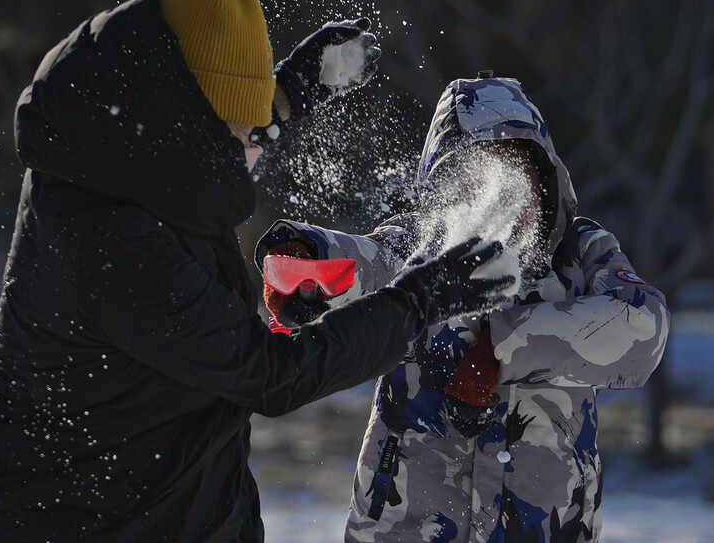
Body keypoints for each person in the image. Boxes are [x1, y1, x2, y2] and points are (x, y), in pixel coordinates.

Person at [0, 0, 515, 542]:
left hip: (178, 510)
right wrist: (414, 304)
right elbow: (269, 374)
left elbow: (204, 127)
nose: (247, 150)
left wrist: (283, 96)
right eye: (235, 133)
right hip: (88, 525)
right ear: (187, 121)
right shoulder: (109, 241)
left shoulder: (123, 146)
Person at [255, 73, 670, 542]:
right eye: (474, 180)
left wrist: (501, 346)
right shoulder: (423, 247)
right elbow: (365, 262)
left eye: (516, 177)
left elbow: (643, 327)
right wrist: (310, 263)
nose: (501, 202)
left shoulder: (578, 253)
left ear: (545, 180)